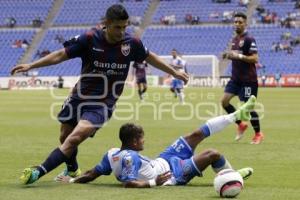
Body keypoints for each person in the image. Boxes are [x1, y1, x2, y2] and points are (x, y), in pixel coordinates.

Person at [12, 4, 188, 185]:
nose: (121, 32)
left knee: (75, 137)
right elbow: (60, 55)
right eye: (117, 27)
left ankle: (38, 171)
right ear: (107, 23)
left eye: (124, 27)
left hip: (103, 103)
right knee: (65, 136)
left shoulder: (131, 43)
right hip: (79, 96)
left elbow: (150, 56)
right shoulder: (89, 38)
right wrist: (31, 66)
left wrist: (174, 72)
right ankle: (72, 168)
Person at [56, 96, 257, 187]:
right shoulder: (128, 158)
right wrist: (154, 182)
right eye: (142, 137)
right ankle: (233, 175)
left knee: (195, 134)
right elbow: (130, 183)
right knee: (213, 154)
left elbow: (92, 174)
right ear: (134, 142)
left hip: (164, 159)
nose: (144, 140)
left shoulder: (112, 154)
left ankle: (237, 115)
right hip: (173, 174)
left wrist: (73, 180)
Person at [222, 12, 264, 144]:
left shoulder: (249, 39)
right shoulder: (234, 39)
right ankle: (240, 124)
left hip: (248, 80)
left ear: (245, 24)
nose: (237, 24)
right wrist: (228, 55)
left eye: (240, 22)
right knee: (224, 102)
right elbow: (234, 54)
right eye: (235, 22)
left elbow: (255, 58)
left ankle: (258, 134)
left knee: (248, 109)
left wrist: (238, 56)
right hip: (235, 79)